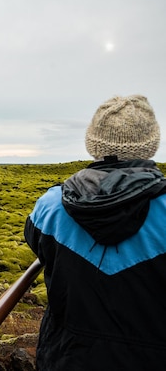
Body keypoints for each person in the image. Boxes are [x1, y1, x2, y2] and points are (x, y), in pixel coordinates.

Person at [24, 95, 166, 370]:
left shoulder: (51, 205)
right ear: (150, 145)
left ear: (93, 144)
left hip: (67, 357)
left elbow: (36, 243)